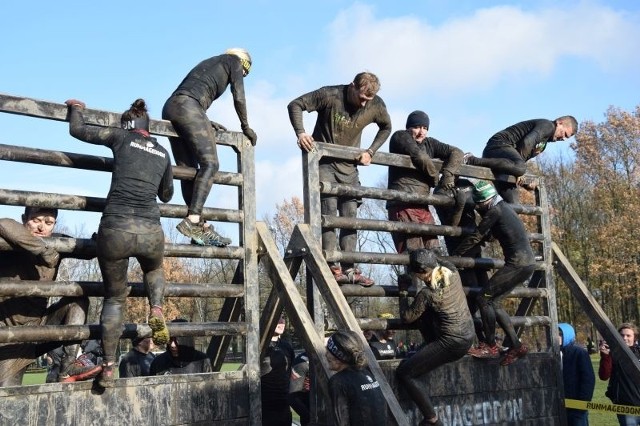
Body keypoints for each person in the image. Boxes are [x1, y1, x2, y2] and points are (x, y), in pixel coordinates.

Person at [66, 98, 174, 388]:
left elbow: (78, 131)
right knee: (153, 271)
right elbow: (166, 195)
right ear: (148, 128)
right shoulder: (163, 152)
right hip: (150, 230)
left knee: (115, 298)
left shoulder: (120, 137)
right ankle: (157, 308)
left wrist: (76, 108)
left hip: (116, 227)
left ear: (127, 124)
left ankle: (109, 367)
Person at [287, 72, 392, 286]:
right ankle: (333, 265)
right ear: (352, 86)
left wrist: (371, 151)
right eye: (361, 97)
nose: (363, 104)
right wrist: (301, 133)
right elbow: (295, 104)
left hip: (350, 168)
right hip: (325, 164)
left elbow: (386, 127)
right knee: (329, 211)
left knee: (350, 216)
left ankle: (350, 268)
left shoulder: (376, 105)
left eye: (368, 101)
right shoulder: (331, 95)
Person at [163, 48, 257, 247]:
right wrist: (245, 126)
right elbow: (238, 96)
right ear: (245, 65)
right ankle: (193, 220)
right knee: (211, 164)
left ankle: (199, 225)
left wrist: (204, 119)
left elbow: (192, 90)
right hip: (189, 107)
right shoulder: (235, 62)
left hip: (173, 106)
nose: (242, 76)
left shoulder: (213, 61)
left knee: (188, 171)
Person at [0, 206, 89, 386]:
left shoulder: (56, 243)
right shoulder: (7, 244)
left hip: (40, 328)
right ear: (24, 218)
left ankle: (67, 366)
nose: (42, 227)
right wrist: (43, 250)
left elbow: (87, 251)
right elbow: (3, 223)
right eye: (36, 220)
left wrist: (102, 237)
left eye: (48, 223)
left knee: (78, 299)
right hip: (9, 334)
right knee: (8, 396)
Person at [452, 180, 535, 366]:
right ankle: (516, 345)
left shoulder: (494, 211)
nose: (478, 209)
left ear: (485, 202)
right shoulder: (503, 208)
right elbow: (495, 232)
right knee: (494, 302)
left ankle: (490, 346)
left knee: (483, 299)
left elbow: (477, 235)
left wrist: (455, 255)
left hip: (517, 264)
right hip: (527, 263)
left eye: (479, 205)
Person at [396, 249, 475, 426]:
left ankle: (432, 419)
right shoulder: (453, 272)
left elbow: (407, 317)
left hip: (451, 343)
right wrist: (423, 254)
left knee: (405, 373)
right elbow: (438, 259)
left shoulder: (427, 294)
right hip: (468, 336)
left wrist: (402, 291)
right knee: (429, 315)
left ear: (420, 274)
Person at [387, 110, 463, 253]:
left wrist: (448, 173)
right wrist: (435, 178)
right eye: (417, 127)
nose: (421, 132)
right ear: (409, 127)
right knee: (416, 257)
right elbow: (420, 157)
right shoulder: (400, 137)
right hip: (403, 205)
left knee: (435, 253)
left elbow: (457, 152)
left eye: (425, 128)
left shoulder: (430, 143)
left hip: (423, 206)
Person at [464, 116, 578, 203]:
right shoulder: (547, 125)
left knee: (513, 206)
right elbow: (527, 142)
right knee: (521, 168)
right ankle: (472, 160)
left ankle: (491, 233)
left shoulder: (543, 144)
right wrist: (521, 170)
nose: (563, 139)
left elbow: (519, 162)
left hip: (504, 162)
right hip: (498, 146)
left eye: (566, 138)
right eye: (565, 134)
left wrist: (526, 183)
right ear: (559, 123)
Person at [325, 330, 387, 426]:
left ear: (338, 356)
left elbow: (341, 423)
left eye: (328, 351)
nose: (326, 355)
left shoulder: (338, 381)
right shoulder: (366, 374)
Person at [599, 323, 640, 426]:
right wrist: (605, 356)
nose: (624, 338)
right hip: (626, 406)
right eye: (621, 335)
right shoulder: (612, 354)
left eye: (628, 335)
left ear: (634, 338)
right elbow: (604, 376)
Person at [558, 323, 595, 426]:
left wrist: (582, 404)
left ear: (568, 334)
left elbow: (588, 379)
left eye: (560, 334)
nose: (557, 337)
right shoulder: (552, 354)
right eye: (555, 333)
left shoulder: (579, 353)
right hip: (558, 406)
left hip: (576, 407)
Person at [260, 316, 295, 426]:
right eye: (278, 318)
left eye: (283, 318)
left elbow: (291, 370)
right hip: (264, 404)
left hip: (284, 403)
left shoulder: (287, 346)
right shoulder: (258, 346)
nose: (282, 322)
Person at [288, 351, 310, 426]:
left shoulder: (329, 358)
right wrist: (308, 416)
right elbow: (292, 397)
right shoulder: (302, 363)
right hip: (310, 415)